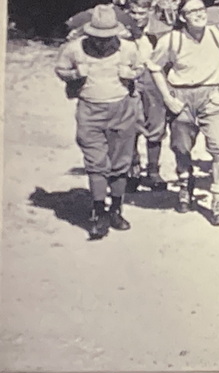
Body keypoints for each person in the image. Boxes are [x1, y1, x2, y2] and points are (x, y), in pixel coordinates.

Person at [147, 0, 219, 225]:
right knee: (181, 147)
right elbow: (154, 67)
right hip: (181, 97)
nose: (200, 15)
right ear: (182, 17)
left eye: (201, 10)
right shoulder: (171, 40)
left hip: (211, 96)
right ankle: (185, 182)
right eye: (193, 12)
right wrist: (168, 98)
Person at [56, 4, 144, 240]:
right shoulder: (75, 49)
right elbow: (61, 69)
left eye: (107, 37)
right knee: (96, 163)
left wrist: (131, 74)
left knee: (120, 163)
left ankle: (116, 210)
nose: (102, 43)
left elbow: (140, 67)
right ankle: (98, 213)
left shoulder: (128, 48)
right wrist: (75, 74)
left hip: (121, 110)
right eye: (97, 37)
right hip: (90, 110)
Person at [124, 0, 173, 192]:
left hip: (154, 81)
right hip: (129, 80)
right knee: (129, 124)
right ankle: (132, 169)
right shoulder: (121, 30)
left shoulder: (163, 32)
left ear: (150, 11)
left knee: (156, 125)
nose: (137, 17)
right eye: (133, 13)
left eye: (141, 13)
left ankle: (153, 171)